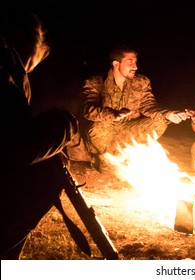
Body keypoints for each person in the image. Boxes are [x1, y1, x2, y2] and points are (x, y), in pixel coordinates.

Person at [0, 5, 79, 259]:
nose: (28, 67)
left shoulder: (11, 69)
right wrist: (65, 124)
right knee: (47, 171)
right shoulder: (5, 71)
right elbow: (17, 148)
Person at [81, 45, 190, 171]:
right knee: (97, 127)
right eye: (130, 62)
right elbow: (89, 110)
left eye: (135, 62)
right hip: (104, 130)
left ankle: (115, 157)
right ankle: (107, 157)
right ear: (116, 64)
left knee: (159, 123)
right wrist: (113, 114)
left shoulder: (141, 82)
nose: (135, 67)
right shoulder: (95, 83)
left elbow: (148, 105)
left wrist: (168, 114)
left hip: (128, 129)